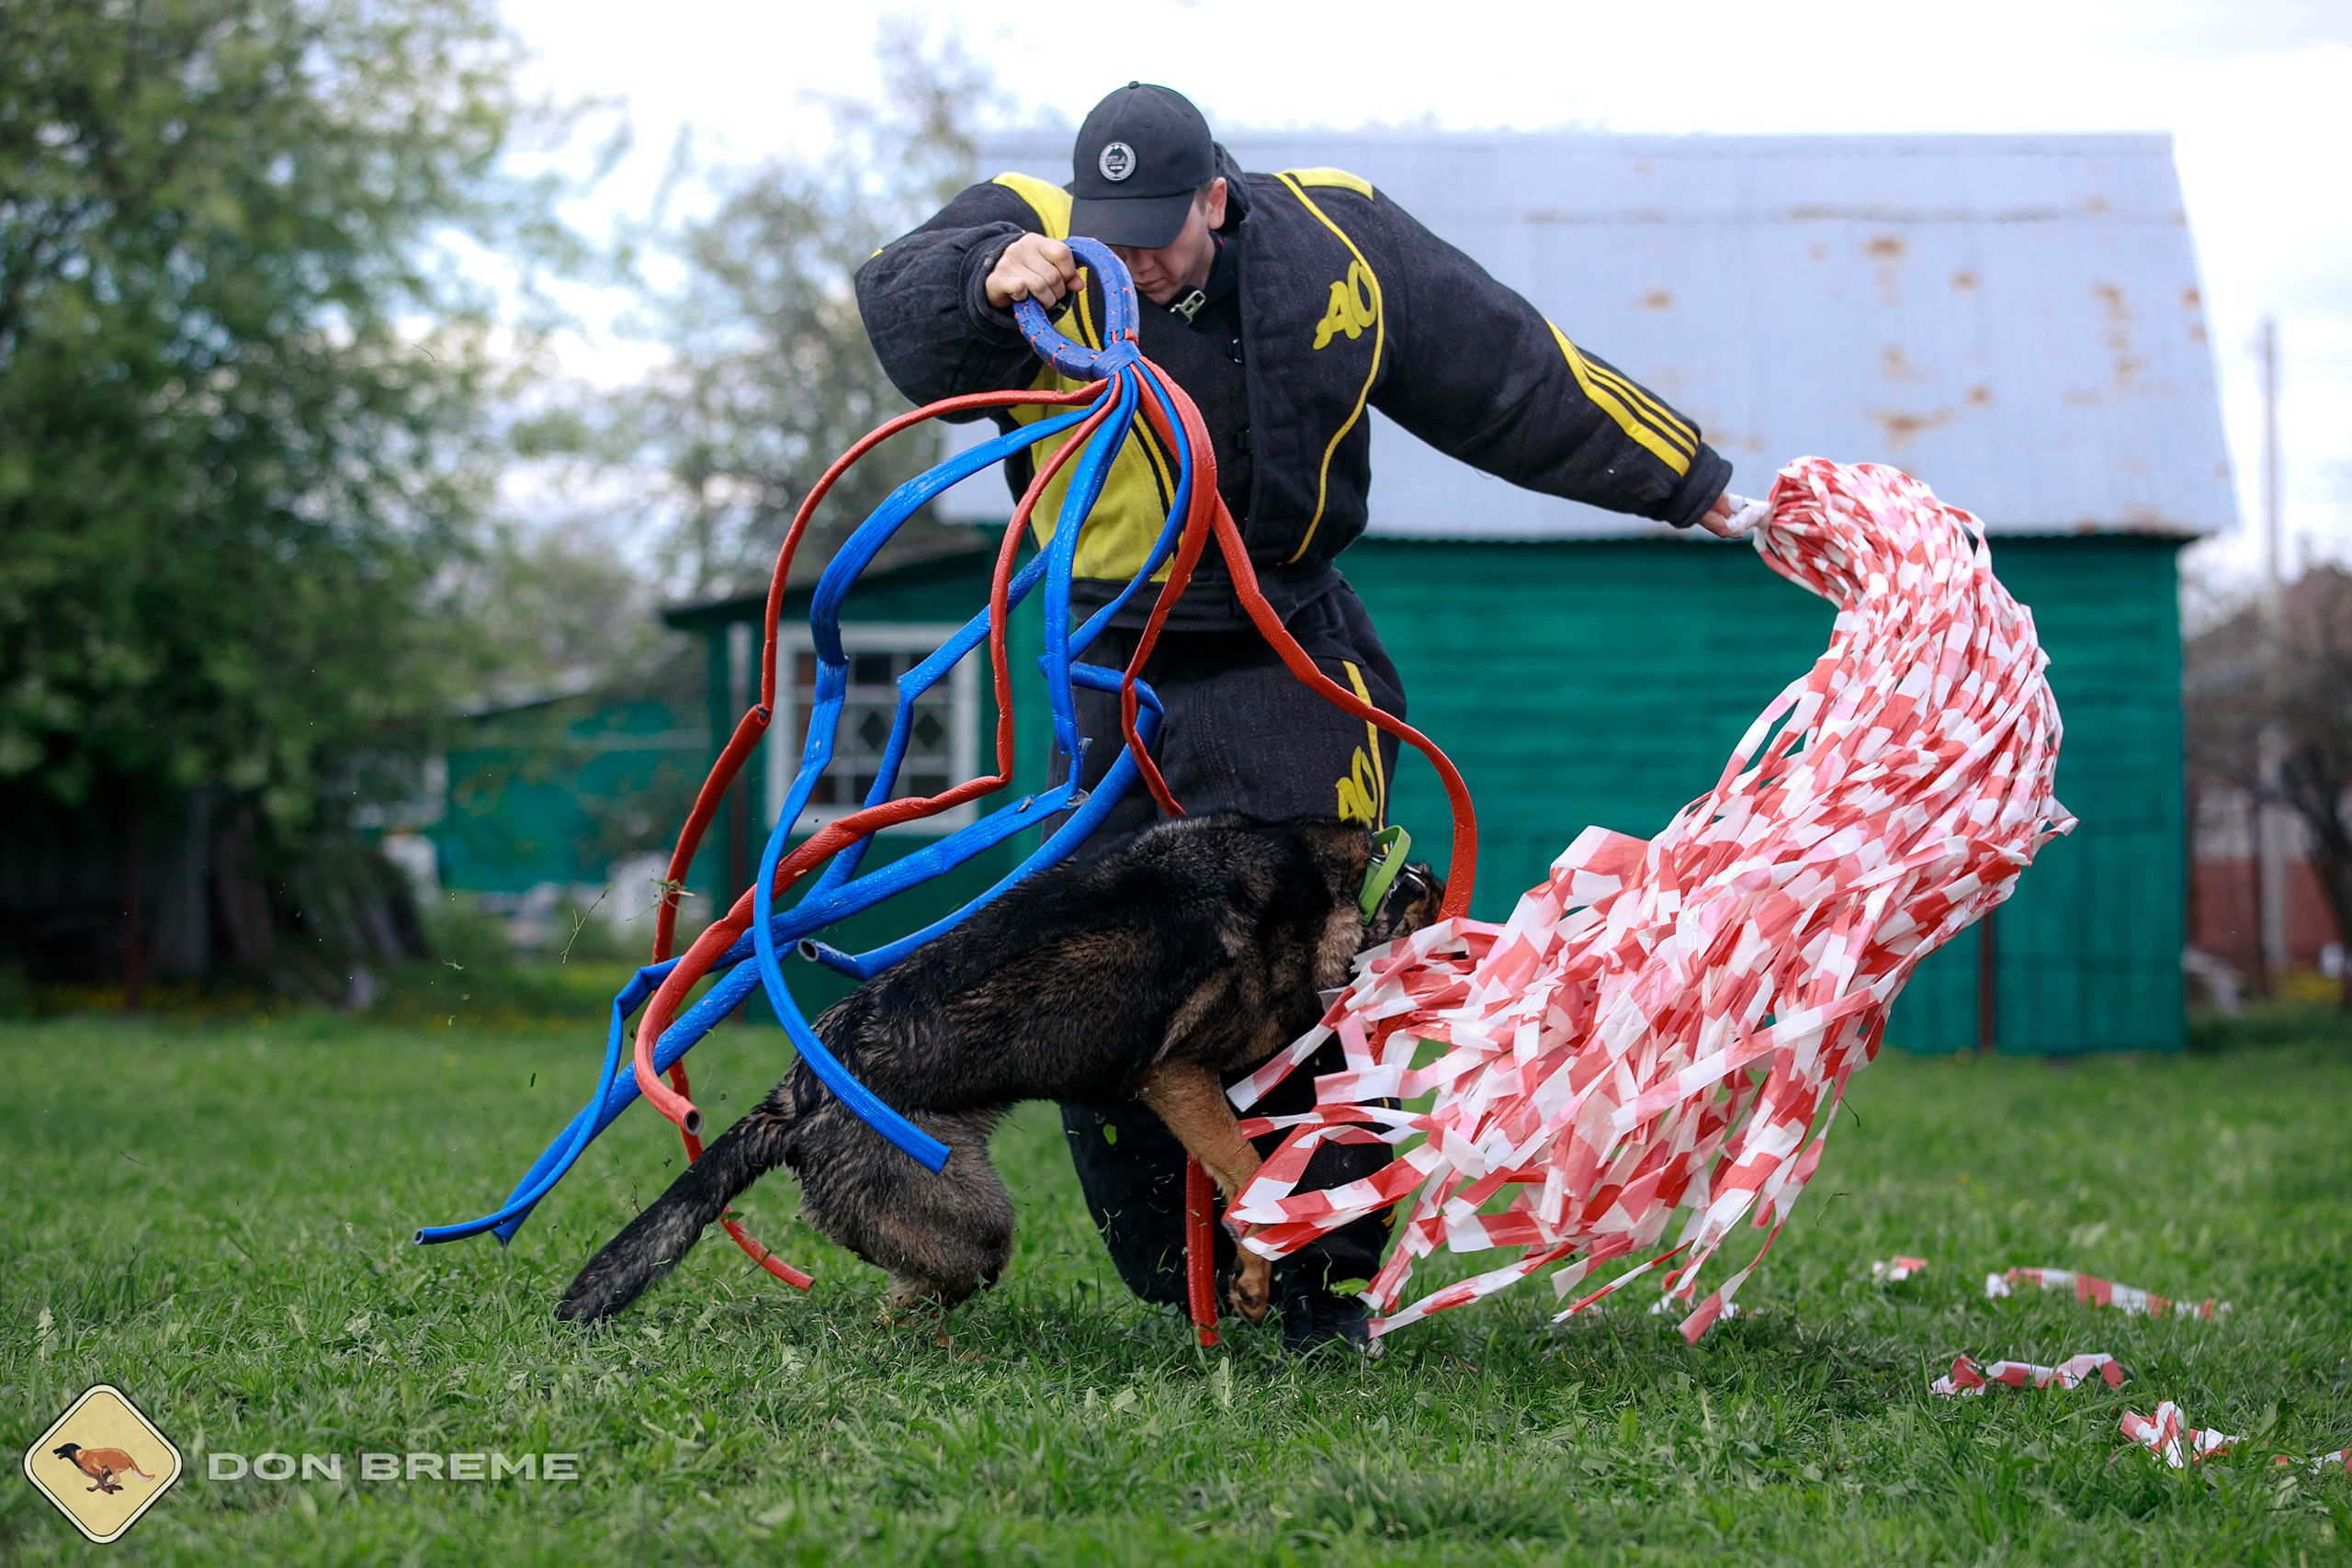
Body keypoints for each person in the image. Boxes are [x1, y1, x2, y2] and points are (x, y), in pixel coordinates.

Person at [855, 83, 1751, 1353]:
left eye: (1161, 234)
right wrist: (983, 278)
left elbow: (1508, 373)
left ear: (1216, 196)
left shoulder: (1341, 244)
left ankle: (1328, 1279)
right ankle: (1181, 1266)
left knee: (1331, 960)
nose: (1137, 264)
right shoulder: (1037, 236)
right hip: (1104, 649)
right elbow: (901, 294)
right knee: (1109, 964)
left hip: (1286, 640)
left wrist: (1692, 483)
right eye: (1114, 238)